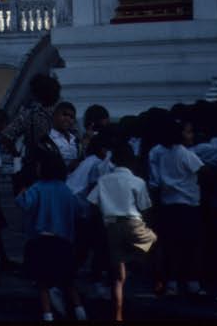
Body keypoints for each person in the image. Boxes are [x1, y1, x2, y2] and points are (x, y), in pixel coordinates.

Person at [88, 134, 154, 322]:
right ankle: (142, 267)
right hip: (133, 222)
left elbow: (92, 203)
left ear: (114, 161)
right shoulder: (138, 182)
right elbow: (146, 208)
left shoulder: (104, 180)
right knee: (152, 243)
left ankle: (118, 314)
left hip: (111, 225)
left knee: (118, 276)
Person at [15, 151, 87, 323]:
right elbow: (79, 210)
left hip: (42, 240)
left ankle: (48, 315)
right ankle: (80, 312)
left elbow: (24, 203)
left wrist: (21, 191)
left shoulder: (37, 187)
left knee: (43, 283)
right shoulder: (65, 189)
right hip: (64, 241)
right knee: (69, 282)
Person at [148, 115, 205, 297]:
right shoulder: (184, 153)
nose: (191, 135)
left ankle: (172, 282)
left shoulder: (159, 153)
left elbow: (155, 181)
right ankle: (192, 282)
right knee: (191, 244)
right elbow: (202, 170)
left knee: (172, 245)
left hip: (168, 203)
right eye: (188, 131)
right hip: (188, 204)